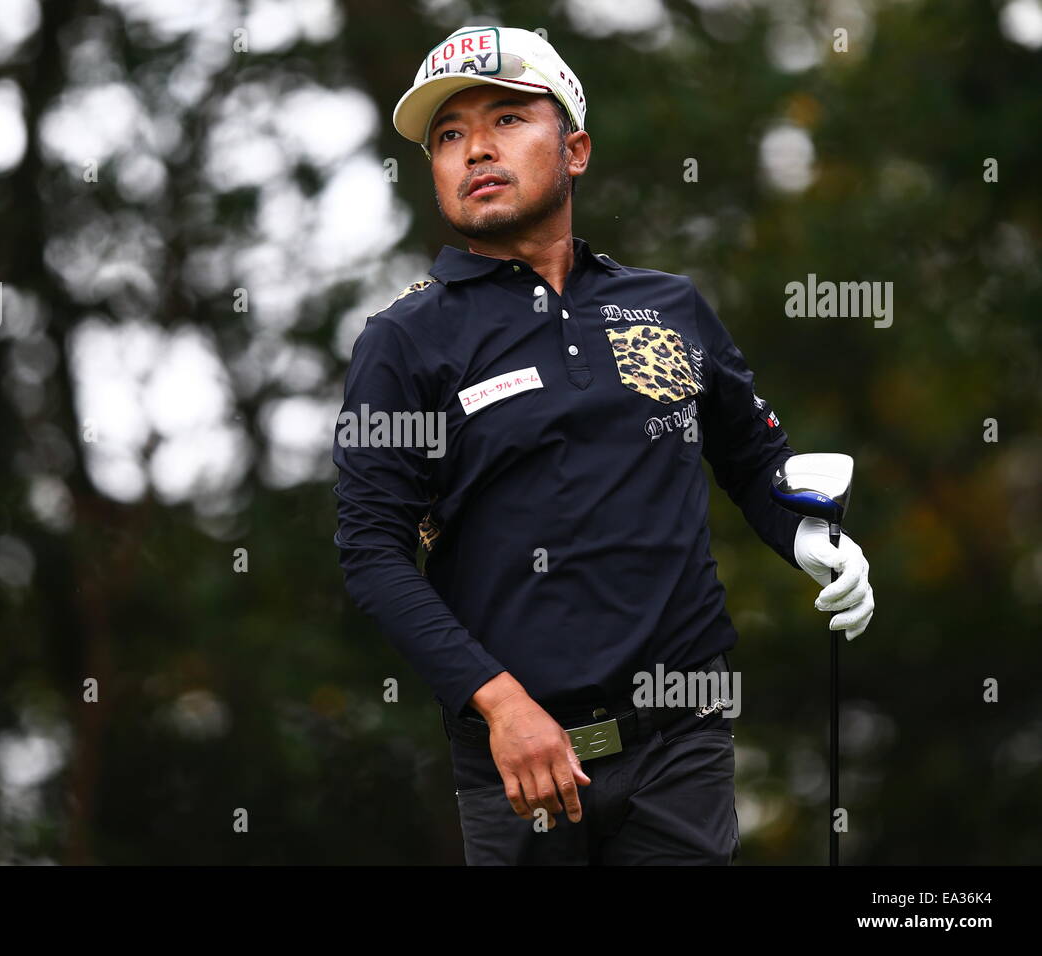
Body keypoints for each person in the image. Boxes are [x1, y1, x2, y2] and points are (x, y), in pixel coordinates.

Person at [332, 25, 875, 865]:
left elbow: (752, 458)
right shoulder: (404, 341)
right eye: (449, 134)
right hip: (521, 766)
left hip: (682, 748)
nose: (475, 147)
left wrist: (806, 532)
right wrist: (503, 707)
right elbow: (371, 552)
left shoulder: (670, 306)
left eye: (507, 119)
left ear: (575, 149)